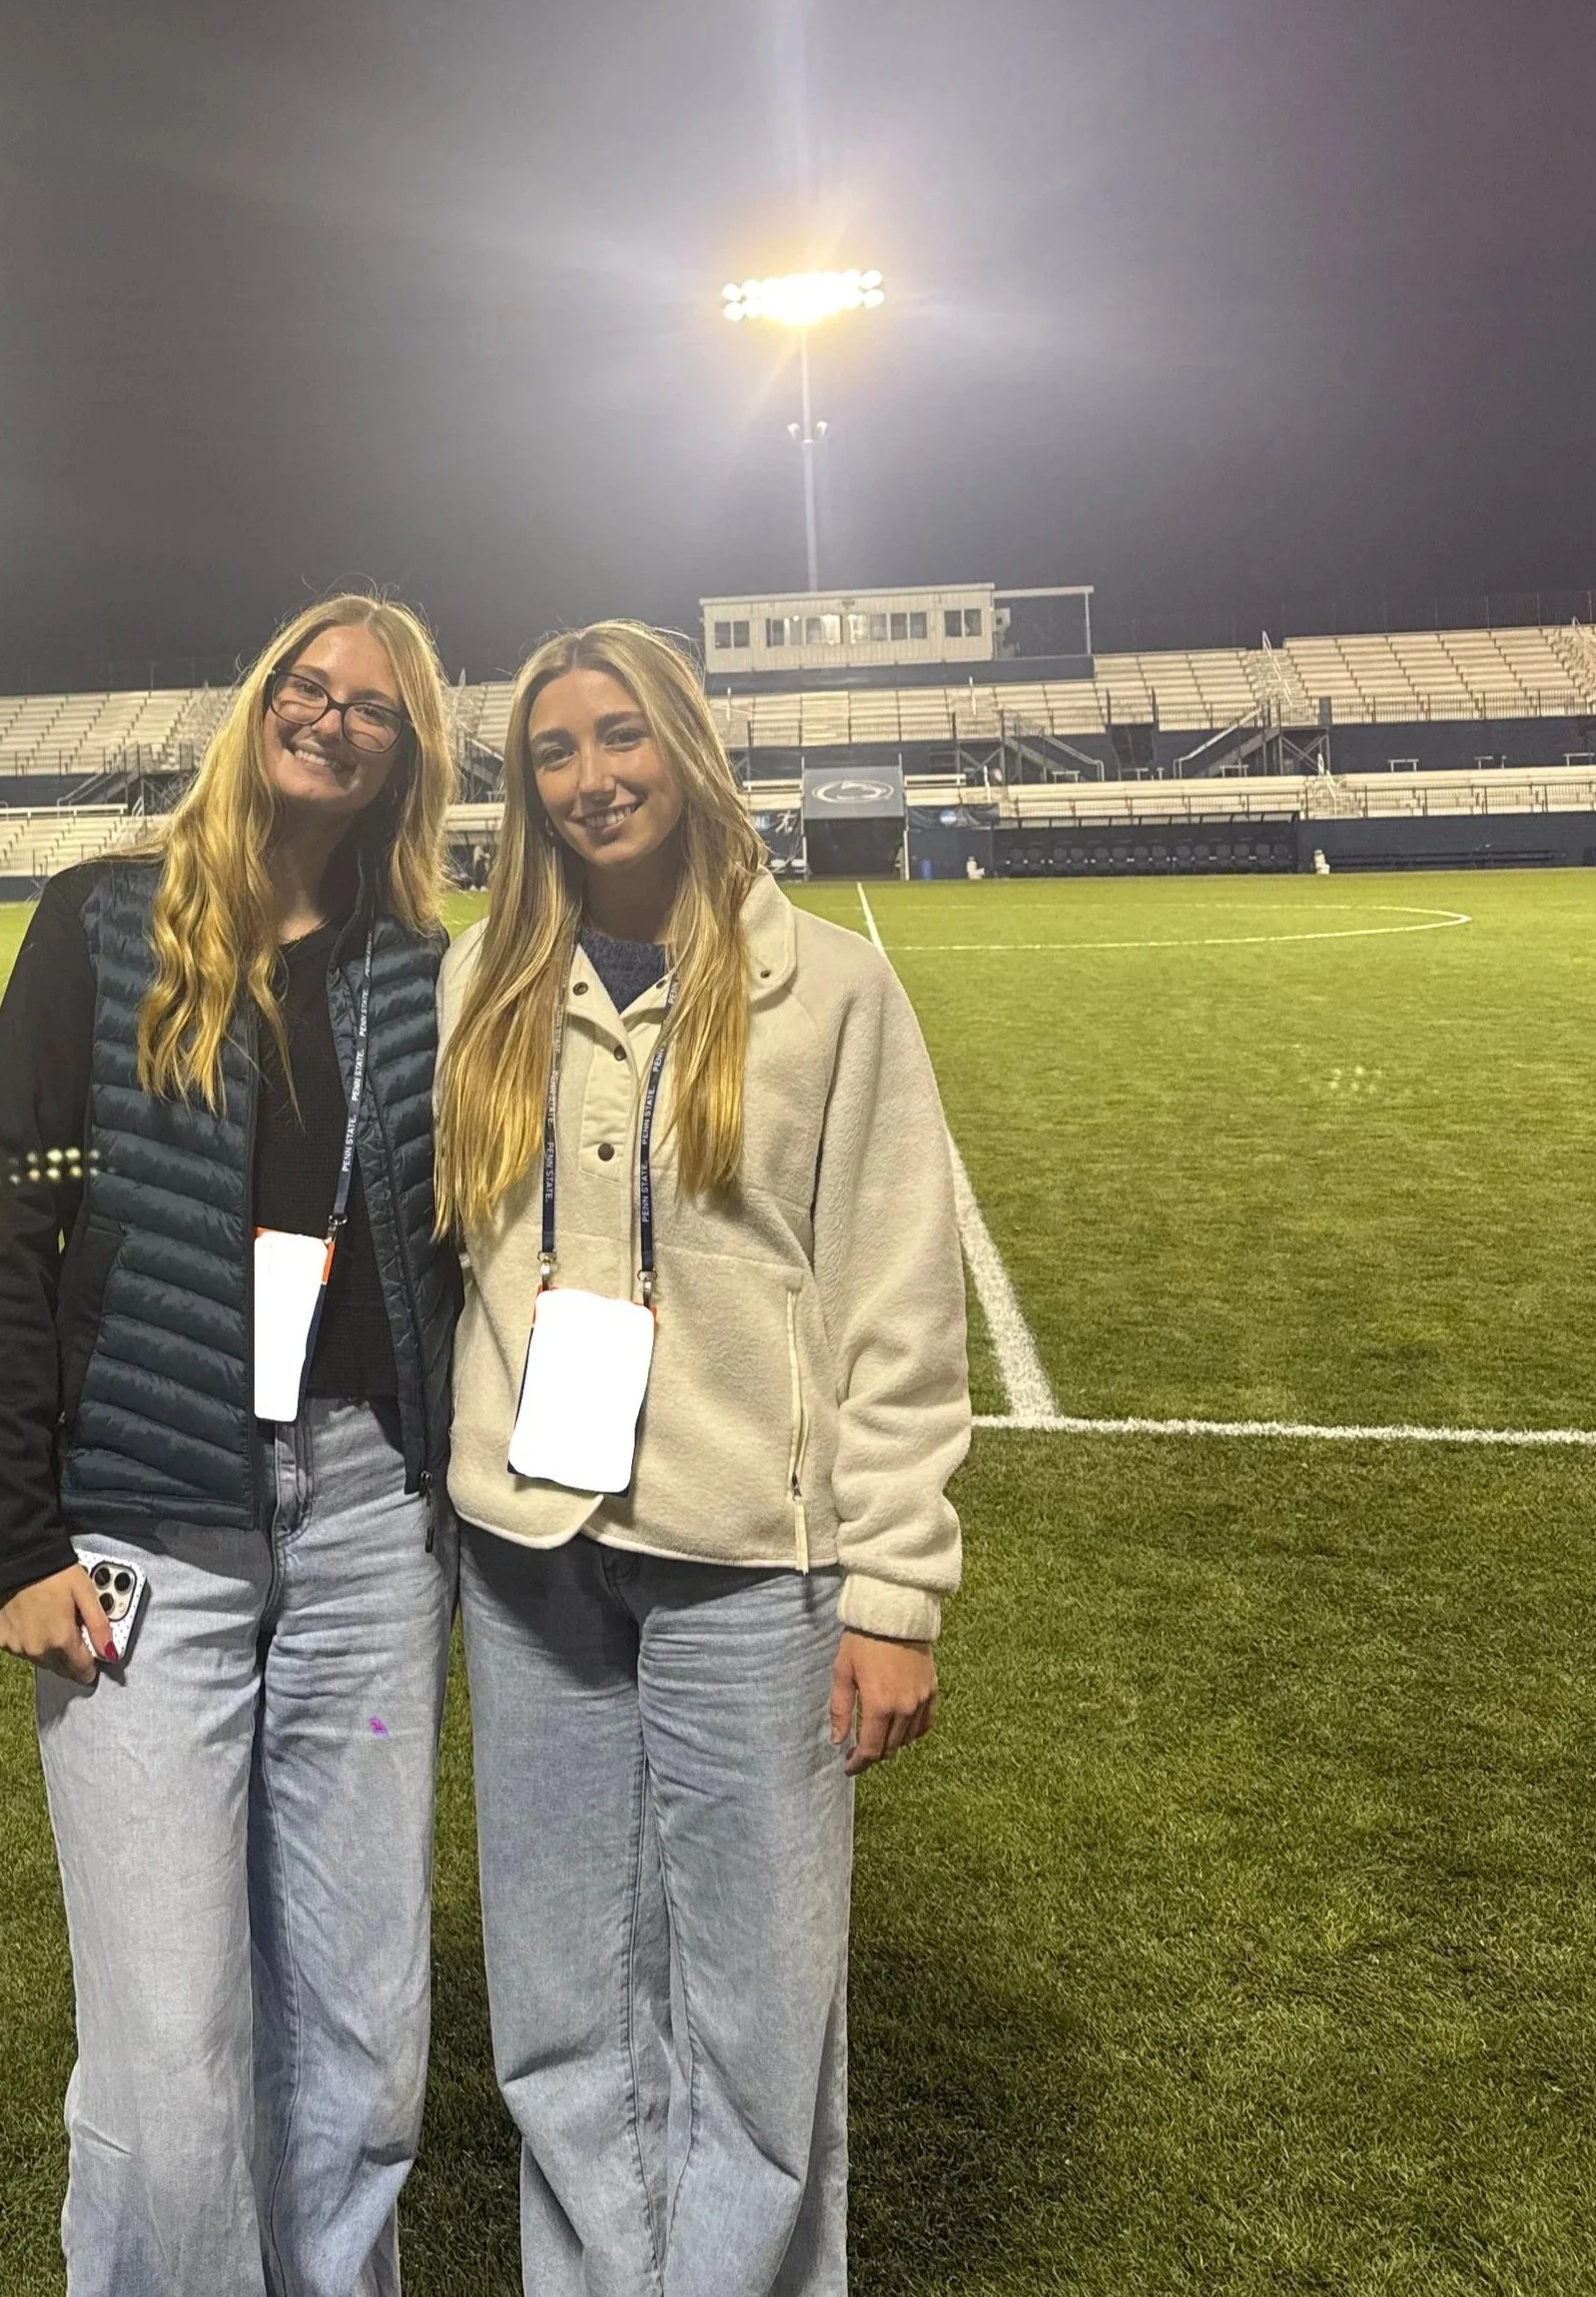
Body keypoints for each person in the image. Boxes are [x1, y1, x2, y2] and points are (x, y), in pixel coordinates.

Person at [434, 621, 970, 2297]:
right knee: (562, 2003)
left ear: (685, 744)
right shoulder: (482, 988)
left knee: (759, 2009)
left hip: (758, 1560)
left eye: (620, 737)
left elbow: (898, 1299)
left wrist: (895, 1585)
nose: (591, 778)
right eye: (554, 754)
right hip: (531, 1571)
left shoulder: (833, 990)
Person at [0, 595, 461, 2297]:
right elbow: (4, 1230)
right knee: (170, 2061)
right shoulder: (106, 921)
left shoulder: (417, 970)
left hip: (369, 1538)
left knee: (361, 2036)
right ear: (259, 709)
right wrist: (9, 1541)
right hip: (141, 1536)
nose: (328, 716)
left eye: (369, 707)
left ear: (406, 753)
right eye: (304, 687)